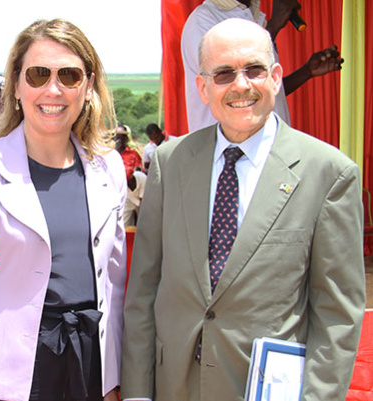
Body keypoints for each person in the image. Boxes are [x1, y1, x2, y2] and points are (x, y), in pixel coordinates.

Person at [121, 18, 365, 401]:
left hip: (266, 388)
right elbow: (144, 292)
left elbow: (336, 314)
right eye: (223, 74)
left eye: (253, 69)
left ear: (276, 77)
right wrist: (137, 393)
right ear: (202, 87)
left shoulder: (329, 174)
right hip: (174, 386)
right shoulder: (171, 163)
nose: (240, 85)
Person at [0, 19, 126, 401]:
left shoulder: (111, 168)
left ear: (88, 88)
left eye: (69, 76)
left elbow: (114, 288)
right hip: (5, 379)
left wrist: (114, 377)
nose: (52, 89)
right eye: (38, 74)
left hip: (89, 370)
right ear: (17, 86)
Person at [181, 0, 344, 133]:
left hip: (270, 150)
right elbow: (234, 86)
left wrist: (307, 71)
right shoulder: (204, 19)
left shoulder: (254, 17)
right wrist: (274, 25)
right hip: (229, 157)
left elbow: (260, 90)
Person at [113, 124, 146, 226]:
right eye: (117, 136)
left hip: (137, 190)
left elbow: (140, 171)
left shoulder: (133, 154)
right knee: (125, 225)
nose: (120, 139)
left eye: (123, 136)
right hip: (121, 193)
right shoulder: (109, 156)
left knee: (144, 222)